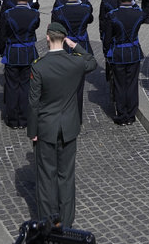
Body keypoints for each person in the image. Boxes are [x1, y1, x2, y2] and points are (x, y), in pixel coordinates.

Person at [29, 22, 97, 229]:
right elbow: (92, 61)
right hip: (68, 127)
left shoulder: (39, 66)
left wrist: (32, 131)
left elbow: (33, 102)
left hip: (46, 127)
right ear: (64, 39)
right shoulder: (75, 62)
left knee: (45, 177)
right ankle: (66, 222)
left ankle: (47, 222)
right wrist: (75, 46)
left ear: (47, 38)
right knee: (66, 176)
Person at [0, 0, 40, 127]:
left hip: (12, 53)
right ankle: (23, 119)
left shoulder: (8, 14)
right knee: (25, 86)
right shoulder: (34, 14)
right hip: (28, 53)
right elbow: (35, 27)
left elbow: (2, 35)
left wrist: (2, 51)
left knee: (11, 87)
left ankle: (12, 119)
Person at [105, 0, 144, 124]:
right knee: (132, 84)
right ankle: (131, 114)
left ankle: (122, 114)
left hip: (118, 53)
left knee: (120, 84)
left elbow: (107, 38)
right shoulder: (139, 13)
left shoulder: (112, 15)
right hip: (133, 52)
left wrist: (107, 52)